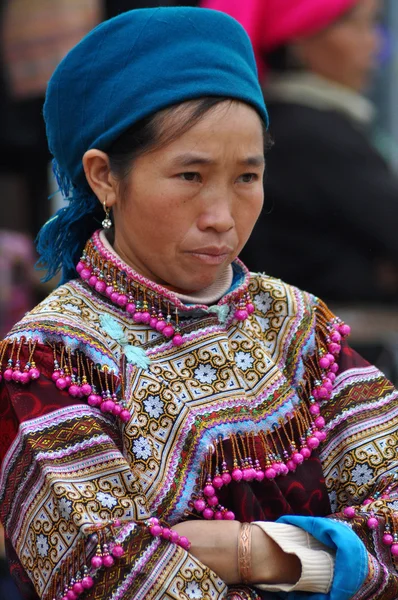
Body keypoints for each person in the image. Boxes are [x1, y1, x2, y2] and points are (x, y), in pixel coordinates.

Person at [0, 7, 397, 600]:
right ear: (105, 176)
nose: (221, 217)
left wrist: (256, 554)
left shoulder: (298, 326)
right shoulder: (50, 360)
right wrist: (335, 560)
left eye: (246, 178)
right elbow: (113, 577)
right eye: (190, 176)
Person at [203, 0, 398, 305]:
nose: (377, 44)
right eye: (359, 25)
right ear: (300, 37)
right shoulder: (312, 136)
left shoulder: (286, 123)